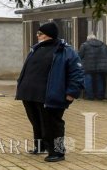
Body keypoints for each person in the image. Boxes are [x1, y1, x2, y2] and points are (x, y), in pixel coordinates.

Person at [16, 21, 84, 162]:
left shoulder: (65, 51)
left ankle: (58, 152)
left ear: (48, 35)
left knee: (53, 124)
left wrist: (72, 93)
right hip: (30, 94)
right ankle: (40, 146)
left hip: (51, 94)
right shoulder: (36, 48)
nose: (37, 36)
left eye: (39, 33)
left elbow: (76, 73)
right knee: (36, 121)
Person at [78, 34, 107, 101]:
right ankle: (100, 96)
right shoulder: (103, 45)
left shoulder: (84, 45)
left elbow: (79, 56)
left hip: (88, 67)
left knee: (88, 80)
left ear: (88, 39)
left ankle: (90, 97)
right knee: (100, 80)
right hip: (101, 67)